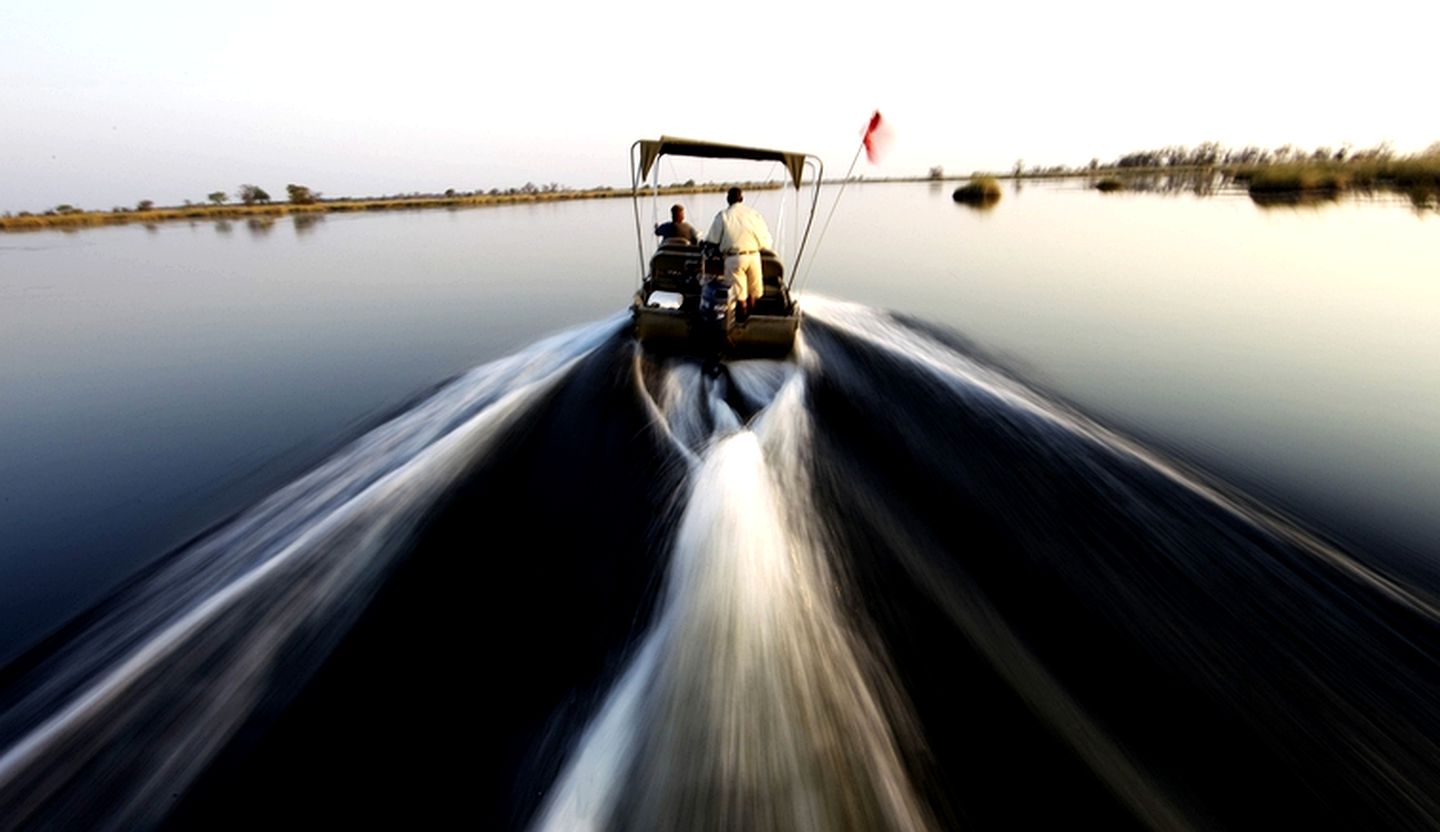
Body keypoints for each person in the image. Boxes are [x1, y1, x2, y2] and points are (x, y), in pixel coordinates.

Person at [704, 187, 773, 316]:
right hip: (754, 257)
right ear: (742, 199)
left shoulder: (723, 216)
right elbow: (766, 241)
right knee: (753, 294)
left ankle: (740, 323)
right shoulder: (754, 214)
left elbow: (712, 241)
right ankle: (752, 320)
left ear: (728, 200)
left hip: (735, 258)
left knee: (739, 296)